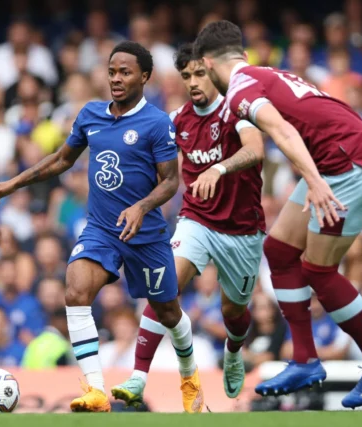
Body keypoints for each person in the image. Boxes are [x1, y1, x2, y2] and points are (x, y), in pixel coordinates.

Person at [194, 20, 362, 409]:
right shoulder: (262, 73)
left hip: (346, 164)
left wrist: (317, 180)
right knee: (278, 250)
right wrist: (316, 175)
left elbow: (284, 133)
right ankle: (305, 360)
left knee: (318, 271)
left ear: (207, 63)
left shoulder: (240, 89)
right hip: (339, 157)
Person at [0, 41, 203, 413]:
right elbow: (61, 159)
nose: (116, 79)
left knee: (168, 313)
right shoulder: (91, 115)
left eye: (125, 72)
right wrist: (13, 184)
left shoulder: (156, 123)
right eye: (111, 72)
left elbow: (171, 181)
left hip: (147, 236)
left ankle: (190, 378)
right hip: (102, 230)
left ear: (144, 76)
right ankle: (95, 390)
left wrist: (142, 206)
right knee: (75, 292)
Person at [111, 43, 265, 405]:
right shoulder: (177, 119)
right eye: (186, 76)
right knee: (163, 287)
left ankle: (233, 351)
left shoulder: (235, 109)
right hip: (196, 219)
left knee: (234, 311)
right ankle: (138, 375)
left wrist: (219, 167)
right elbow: (159, 169)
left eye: (199, 74)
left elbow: (256, 148)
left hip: (242, 229)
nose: (193, 82)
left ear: (212, 72)